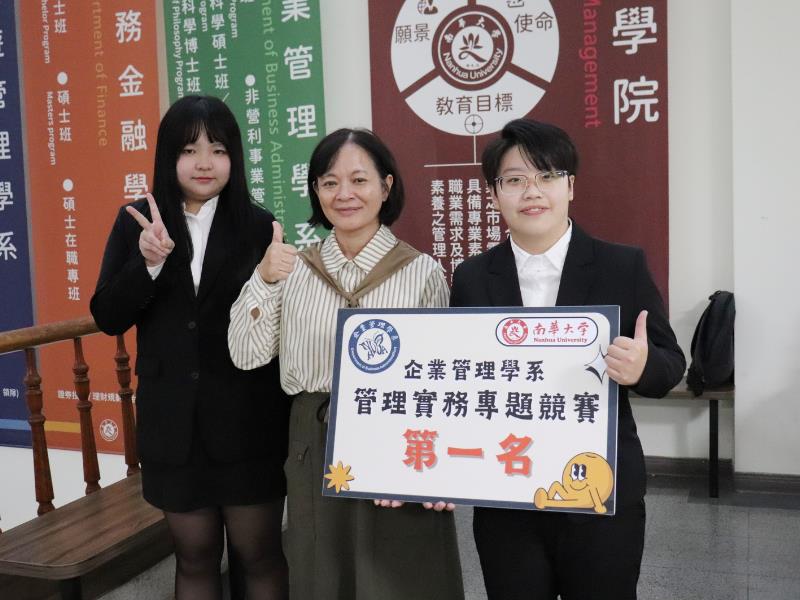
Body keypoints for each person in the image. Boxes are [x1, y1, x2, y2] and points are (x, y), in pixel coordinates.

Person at [450, 119, 685, 600]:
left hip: (600, 489)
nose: (532, 191)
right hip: (506, 492)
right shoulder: (472, 277)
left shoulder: (621, 265)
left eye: (547, 176)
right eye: (515, 179)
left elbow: (670, 364)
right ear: (494, 194)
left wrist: (642, 368)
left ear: (571, 186)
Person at [228, 128, 464, 600]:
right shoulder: (293, 269)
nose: (344, 194)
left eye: (359, 180)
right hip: (315, 434)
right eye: (330, 182)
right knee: (323, 566)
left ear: (386, 186)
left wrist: (441, 467)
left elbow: (442, 373)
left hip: (399, 429)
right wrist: (264, 279)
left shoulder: (421, 271)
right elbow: (246, 354)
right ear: (316, 191)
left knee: (401, 565)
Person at [90, 95, 290, 600]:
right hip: (172, 426)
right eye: (189, 150)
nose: (205, 162)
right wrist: (148, 264)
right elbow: (108, 316)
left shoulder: (258, 225)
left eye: (218, 149)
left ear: (234, 158)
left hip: (249, 420)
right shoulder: (137, 221)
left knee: (259, 554)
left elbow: (273, 322)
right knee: (195, 557)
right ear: (168, 156)